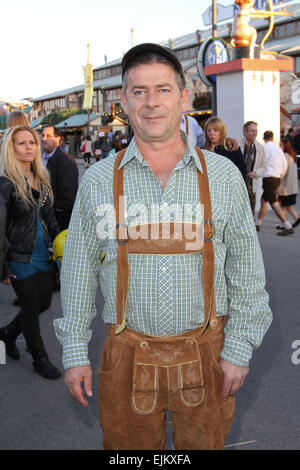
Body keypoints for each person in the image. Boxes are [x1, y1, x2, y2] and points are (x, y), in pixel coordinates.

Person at [54, 43, 272, 450]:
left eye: (163, 90)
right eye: (139, 92)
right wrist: (74, 352)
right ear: (124, 101)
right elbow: (79, 270)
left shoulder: (223, 176)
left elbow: (246, 274)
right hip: (124, 358)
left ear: (184, 96)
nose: (151, 103)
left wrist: (239, 350)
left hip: (208, 357)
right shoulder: (99, 180)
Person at [0, 125, 61, 379]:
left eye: (32, 142)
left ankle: (7, 334)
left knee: (43, 302)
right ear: (11, 149)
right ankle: (39, 358)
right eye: (21, 143)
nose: (28, 147)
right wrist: (2, 265)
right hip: (18, 256)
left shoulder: (42, 179)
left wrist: (60, 245)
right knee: (30, 305)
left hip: (41, 254)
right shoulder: (6, 184)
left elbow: (50, 218)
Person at [255, 130, 293, 235]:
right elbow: (285, 164)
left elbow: (259, 162)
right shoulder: (278, 149)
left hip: (268, 178)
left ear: (264, 138)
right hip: (276, 178)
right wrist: (280, 175)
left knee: (274, 203)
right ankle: (257, 223)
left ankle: (287, 225)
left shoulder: (264, 148)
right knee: (264, 201)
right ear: (272, 138)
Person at [41, 126, 78, 231]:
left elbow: (69, 198)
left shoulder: (66, 162)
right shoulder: (39, 158)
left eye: (48, 136)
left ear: (58, 139)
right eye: (43, 135)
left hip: (58, 221)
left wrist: (51, 209)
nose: (44, 139)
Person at [240, 121, 267, 216]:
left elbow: (264, 165)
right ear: (245, 132)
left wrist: (255, 173)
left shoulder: (260, 147)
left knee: (251, 213)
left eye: (256, 131)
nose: (255, 133)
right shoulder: (238, 146)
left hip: (252, 185)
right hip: (240, 184)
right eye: (252, 131)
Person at [276, 137, 300, 230]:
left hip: (285, 187)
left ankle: (296, 218)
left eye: (281, 144)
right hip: (292, 187)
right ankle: (285, 223)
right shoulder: (292, 155)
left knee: (285, 205)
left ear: (285, 146)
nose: (279, 146)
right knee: (284, 206)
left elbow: (283, 171)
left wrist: (276, 177)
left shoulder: (285, 156)